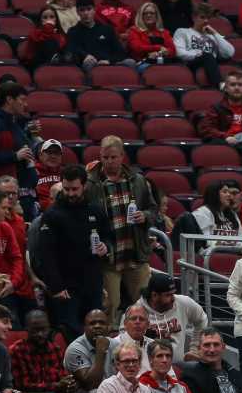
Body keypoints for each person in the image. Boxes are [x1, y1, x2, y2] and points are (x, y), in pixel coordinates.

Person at [85, 135, 156, 326]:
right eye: (105, 157)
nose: (109, 162)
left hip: (135, 253)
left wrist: (145, 216)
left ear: (122, 156)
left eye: (113, 157)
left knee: (143, 306)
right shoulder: (91, 184)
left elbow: (153, 209)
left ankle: (142, 347)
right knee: (110, 305)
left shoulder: (138, 181)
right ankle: (106, 347)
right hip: (109, 257)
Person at [36, 165, 110, 337]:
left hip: (92, 283)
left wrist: (106, 247)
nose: (70, 193)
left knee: (97, 330)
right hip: (66, 287)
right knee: (70, 332)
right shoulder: (52, 215)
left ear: (84, 186)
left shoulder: (95, 209)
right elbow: (45, 254)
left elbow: (108, 236)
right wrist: (56, 286)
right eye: (66, 189)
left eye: (74, 189)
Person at [66, 0, 132, 70]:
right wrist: (85, 56)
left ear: (94, 10)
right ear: (77, 12)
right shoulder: (73, 31)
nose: (86, 13)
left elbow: (120, 52)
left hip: (109, 63)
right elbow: (72, 51)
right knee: (89, 63)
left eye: (89, 9)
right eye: (82, 10)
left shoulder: (107, 29)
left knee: (130, 62)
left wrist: (109, 61)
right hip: (88, 65)